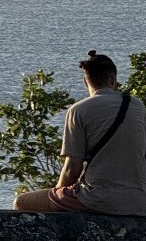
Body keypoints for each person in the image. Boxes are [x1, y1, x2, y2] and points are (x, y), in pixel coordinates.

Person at [13, 51, 146, 215]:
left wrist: (58, 194)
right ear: (112, 79)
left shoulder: (78, 110)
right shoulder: (137, 106)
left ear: (85, 81)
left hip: (97, 199)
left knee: (21, 202)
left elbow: (72, 168)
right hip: (139, 200)